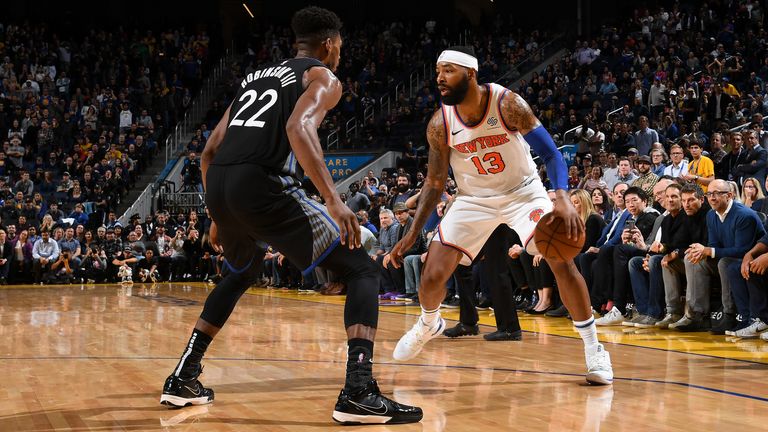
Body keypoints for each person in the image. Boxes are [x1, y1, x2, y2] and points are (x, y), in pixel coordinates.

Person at [160, 7, 422, 425]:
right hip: (261, 182)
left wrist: (218, 212)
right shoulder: (322, 78)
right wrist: (334, 201)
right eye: (340, 48)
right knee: (362, 271)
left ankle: (183, 376)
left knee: (241, 273)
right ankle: (358, 391)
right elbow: (300, 128)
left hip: (222, 184)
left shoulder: (253, 78)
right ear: (330, 44)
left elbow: (209, 151)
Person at [385, 46, 613, 385]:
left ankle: (595, 349)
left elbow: (551, 153)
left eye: (448, 71)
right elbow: (434, 184)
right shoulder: (440, 123)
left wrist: (562, 197)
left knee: (559, 257)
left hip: (522, 191)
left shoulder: (507, 104)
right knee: (431, 275)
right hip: (474, 199)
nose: (439, 78)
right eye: (437, 72)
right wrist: (410, 232)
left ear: (470, 74)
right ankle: (429, 322)